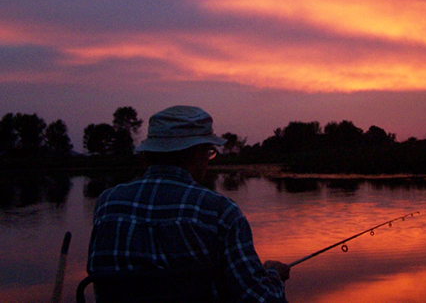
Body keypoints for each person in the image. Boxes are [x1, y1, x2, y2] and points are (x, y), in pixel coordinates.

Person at [87, 105, 290, 302]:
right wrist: (273, 275)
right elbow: (262, 299)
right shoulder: (220, 212)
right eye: (209, 153)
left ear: (148, 154)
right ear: (197, 154)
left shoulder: (107, 205)